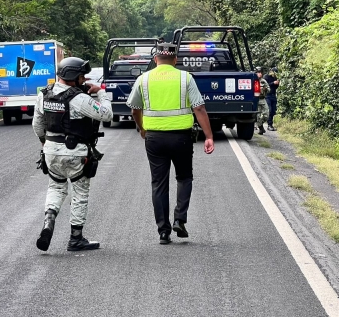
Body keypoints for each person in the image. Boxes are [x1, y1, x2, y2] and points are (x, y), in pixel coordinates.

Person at [126, 43, 215, 244]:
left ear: (155, 59)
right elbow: (199, 108)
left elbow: (134, 108)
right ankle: (179, 219)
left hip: (154, 138)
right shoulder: (185, 78)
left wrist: (141, 128)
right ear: (175, 60)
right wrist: (208, 135)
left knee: (159, 183)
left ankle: (163, 232)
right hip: (181, 137)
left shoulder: (143, 79)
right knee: (184, 177)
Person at [32, 57, 113, 252]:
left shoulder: (44, 95)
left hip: (50, 151)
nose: (84, 79)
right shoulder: (79, 98)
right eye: (81, 76)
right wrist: (102, 94)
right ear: (73, 76)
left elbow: (37, 125)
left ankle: (49, 220)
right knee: (80, 193)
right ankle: (76, 238)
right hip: (75, 152)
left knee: (56, 188)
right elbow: (107, 115)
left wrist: (46, 143)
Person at [255, 66, 270, 135]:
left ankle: (260, 124)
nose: (259, 74)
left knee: (266, 114)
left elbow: (269, 89)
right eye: (258, 72)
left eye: (260, 72)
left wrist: (265, 89)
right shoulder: (253, 81)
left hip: (262, 99)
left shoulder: (264, 81)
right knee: (258, 115)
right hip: (256, 100)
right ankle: (260, 128)